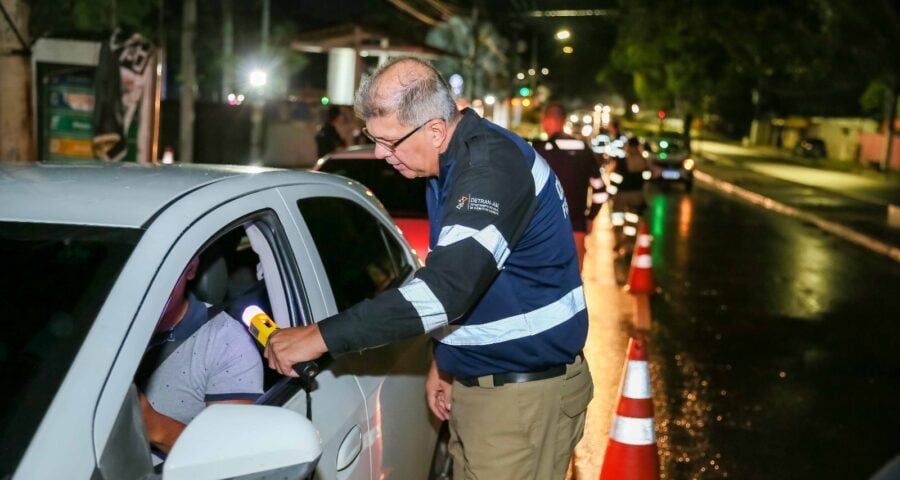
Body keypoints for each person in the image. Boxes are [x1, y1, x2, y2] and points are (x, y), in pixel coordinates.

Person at [265, 57, 592, 479]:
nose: (382, 154)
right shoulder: (449, 163)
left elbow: (446, 290)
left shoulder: (490, 170)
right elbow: (474, 284)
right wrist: (446, 359)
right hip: (494, 387)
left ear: (435, 130)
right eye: (373, 138)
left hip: (523, 399)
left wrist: (317, 338)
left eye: (389, 141)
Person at [137, 256, 263, 456]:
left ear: (191, 269)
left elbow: (233, 455)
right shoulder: (93, 326)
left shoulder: (225, 342)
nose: (149, 283)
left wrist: (153, 426)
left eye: (163, 269)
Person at [535, 102, 608, 271]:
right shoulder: (583, 149)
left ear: (546, 120)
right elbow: (600, 191)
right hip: (576, 227)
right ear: (563, 120)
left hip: (544, 228)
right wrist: (590, 217)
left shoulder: (540, 151)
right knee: (571, 284)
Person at [609, 136, 649, 253]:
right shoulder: (643, 161)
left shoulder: (622, 161)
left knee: (618, 219)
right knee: (632, 222)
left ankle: (618, 241)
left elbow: (615, 179)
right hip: (637, 195)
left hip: (622, 195)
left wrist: (611, 194)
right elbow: (647, 178)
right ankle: (630, 245)